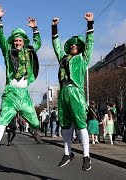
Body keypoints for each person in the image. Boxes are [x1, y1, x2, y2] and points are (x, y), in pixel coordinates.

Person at [0, 4, 42, 162]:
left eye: (20, 40)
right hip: (11, 93)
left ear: (23, 42)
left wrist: (35, 28)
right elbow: (0, 38)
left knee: (35, 122)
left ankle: (34, 131)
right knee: (3, 120)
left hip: (24, 94)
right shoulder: (8, 51)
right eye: (15, 41)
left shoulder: (29, 51)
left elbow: (38, 43)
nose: (18, 43)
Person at [51, 12, 94, 171]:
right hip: (63, 94)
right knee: (65, 125)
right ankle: (67, 153)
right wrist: (54, 27)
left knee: (81, 124)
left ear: (80, 48)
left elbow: (90, 43)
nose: (73, 46)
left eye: (76, 45)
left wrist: (90, 24)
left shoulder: (83, 58)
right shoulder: (63, 58)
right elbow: (56, 47)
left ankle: (86, 156)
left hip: (76, 91)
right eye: (71, 45)